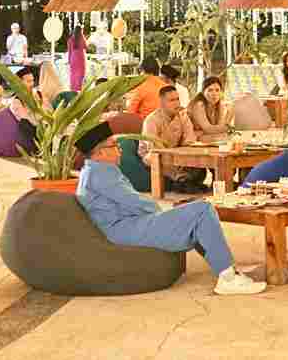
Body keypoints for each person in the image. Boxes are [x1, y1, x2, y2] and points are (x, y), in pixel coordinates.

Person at [76, 121, 267, 295]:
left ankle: (226, 269)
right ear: (99, 153)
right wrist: (164, 213)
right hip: (125, 229)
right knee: (202, 210)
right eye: (114, 146)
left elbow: (128, 203)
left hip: (126, 225)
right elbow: (135, 202)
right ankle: (228, 278)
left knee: (195, 212)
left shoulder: (94, 171)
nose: (119, 149)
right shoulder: (101, 174)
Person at [141, 85, 208, 193]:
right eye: (172, 100)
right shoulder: (152, 120)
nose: (177, 103)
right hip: (153, 154)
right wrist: (176, 160)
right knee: (157, 157)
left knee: (200, 168)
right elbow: (154, 147)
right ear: (162, 103)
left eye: (177, 99)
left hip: (176, 153)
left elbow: (190, 140)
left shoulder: (182, 116)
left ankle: (184, 181)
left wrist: (186, 155)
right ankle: (181, 180)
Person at [188, 76, 231, 142]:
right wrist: (229, 126)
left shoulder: (220, 106)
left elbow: (219, 129)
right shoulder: (199, 105)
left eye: (217, 90)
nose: (214, 93)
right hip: (191, 140)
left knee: (228, 137)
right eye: (210, 90)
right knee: (226, 138)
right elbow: (208, 129)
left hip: (203, 138)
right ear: (203, 92)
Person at [67, 25, 87, 91]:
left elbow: (69, 51)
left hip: (73, 58)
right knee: (80, 74)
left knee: (73, 74)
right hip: (80, 58)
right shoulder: (82, 39)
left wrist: (69, 61)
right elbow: (85, 47)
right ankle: (79, 88)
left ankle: (73, 89)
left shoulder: (70, 40)